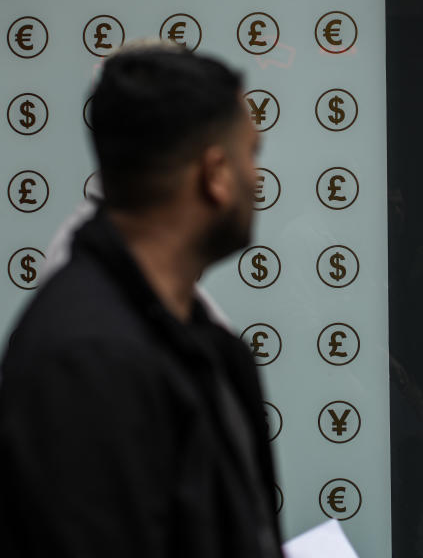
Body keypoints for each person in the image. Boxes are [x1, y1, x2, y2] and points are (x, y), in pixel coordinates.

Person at [0, 43, 282, 558]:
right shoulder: (86, 363)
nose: (257, 179)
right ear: (215, 174)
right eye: (252, 154)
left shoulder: (200, 343)